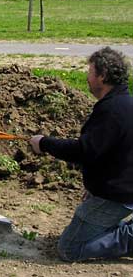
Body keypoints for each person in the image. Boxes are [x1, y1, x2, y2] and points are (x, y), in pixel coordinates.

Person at [29, 46, 133, 261]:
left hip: (118, 194)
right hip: (120, 188)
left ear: (102, 76)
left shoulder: (112, 110)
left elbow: (84, 151)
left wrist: (44, 143)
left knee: (70, 248)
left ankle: (129, 238)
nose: (87, 77)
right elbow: (111, 153)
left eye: (90, 72)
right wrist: (94, 186)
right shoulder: (124, 104)